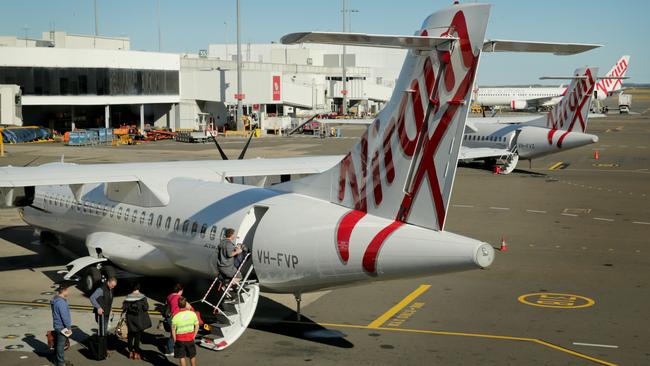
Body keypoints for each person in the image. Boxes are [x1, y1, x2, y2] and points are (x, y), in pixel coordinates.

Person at [122, 282, 152, 360]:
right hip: (139, 319)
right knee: (137, 337)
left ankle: (130, 352)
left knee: (130, 336)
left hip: (130, 319)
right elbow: (146, 308)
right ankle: (136, 353)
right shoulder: (142, 297)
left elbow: (124, 307)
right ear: (139, 288)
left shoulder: (128, 296)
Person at [171, 296, 199, 366]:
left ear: (178, 305)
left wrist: (175, 340)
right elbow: (197, 326)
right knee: (192, 356)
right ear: (186, 304)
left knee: (182, 357)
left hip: (180, 339)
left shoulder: (175, 316)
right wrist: (194, 335)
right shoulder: (192, 314)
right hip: (190, 338)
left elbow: (173, 329)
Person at [51, 282, 73, 366]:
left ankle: (60, 359)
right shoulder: (61, 302)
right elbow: (65, 316)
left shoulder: (55, 300)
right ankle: (60, 362)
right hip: (62, 326)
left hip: (57, 324)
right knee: (61, 345)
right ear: (64, 291)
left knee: (59, 344)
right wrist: (68, 327)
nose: (68, 292)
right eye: (67, 290)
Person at [165, 283, 184, 357]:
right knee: (174, 335)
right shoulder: (180, 298)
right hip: (175, 318)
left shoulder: (169, 296)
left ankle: (171, 348)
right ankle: (169, 350)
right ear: (180, 290)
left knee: (173, 334)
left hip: (169, 317)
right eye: (182, 290)